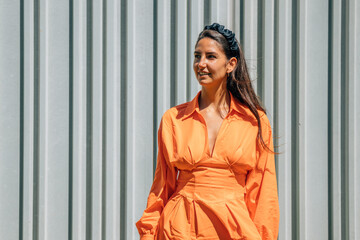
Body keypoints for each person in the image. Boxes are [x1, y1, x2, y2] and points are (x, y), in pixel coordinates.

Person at [136, 23, 279, 240]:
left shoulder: (255, 121)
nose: (200, 64)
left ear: (230, 64)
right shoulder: (174, 119)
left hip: (233, 229)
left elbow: (262, 193)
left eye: (210, 56)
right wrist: (148, 235)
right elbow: (161, 188)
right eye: (197, 56)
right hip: (179, 229)